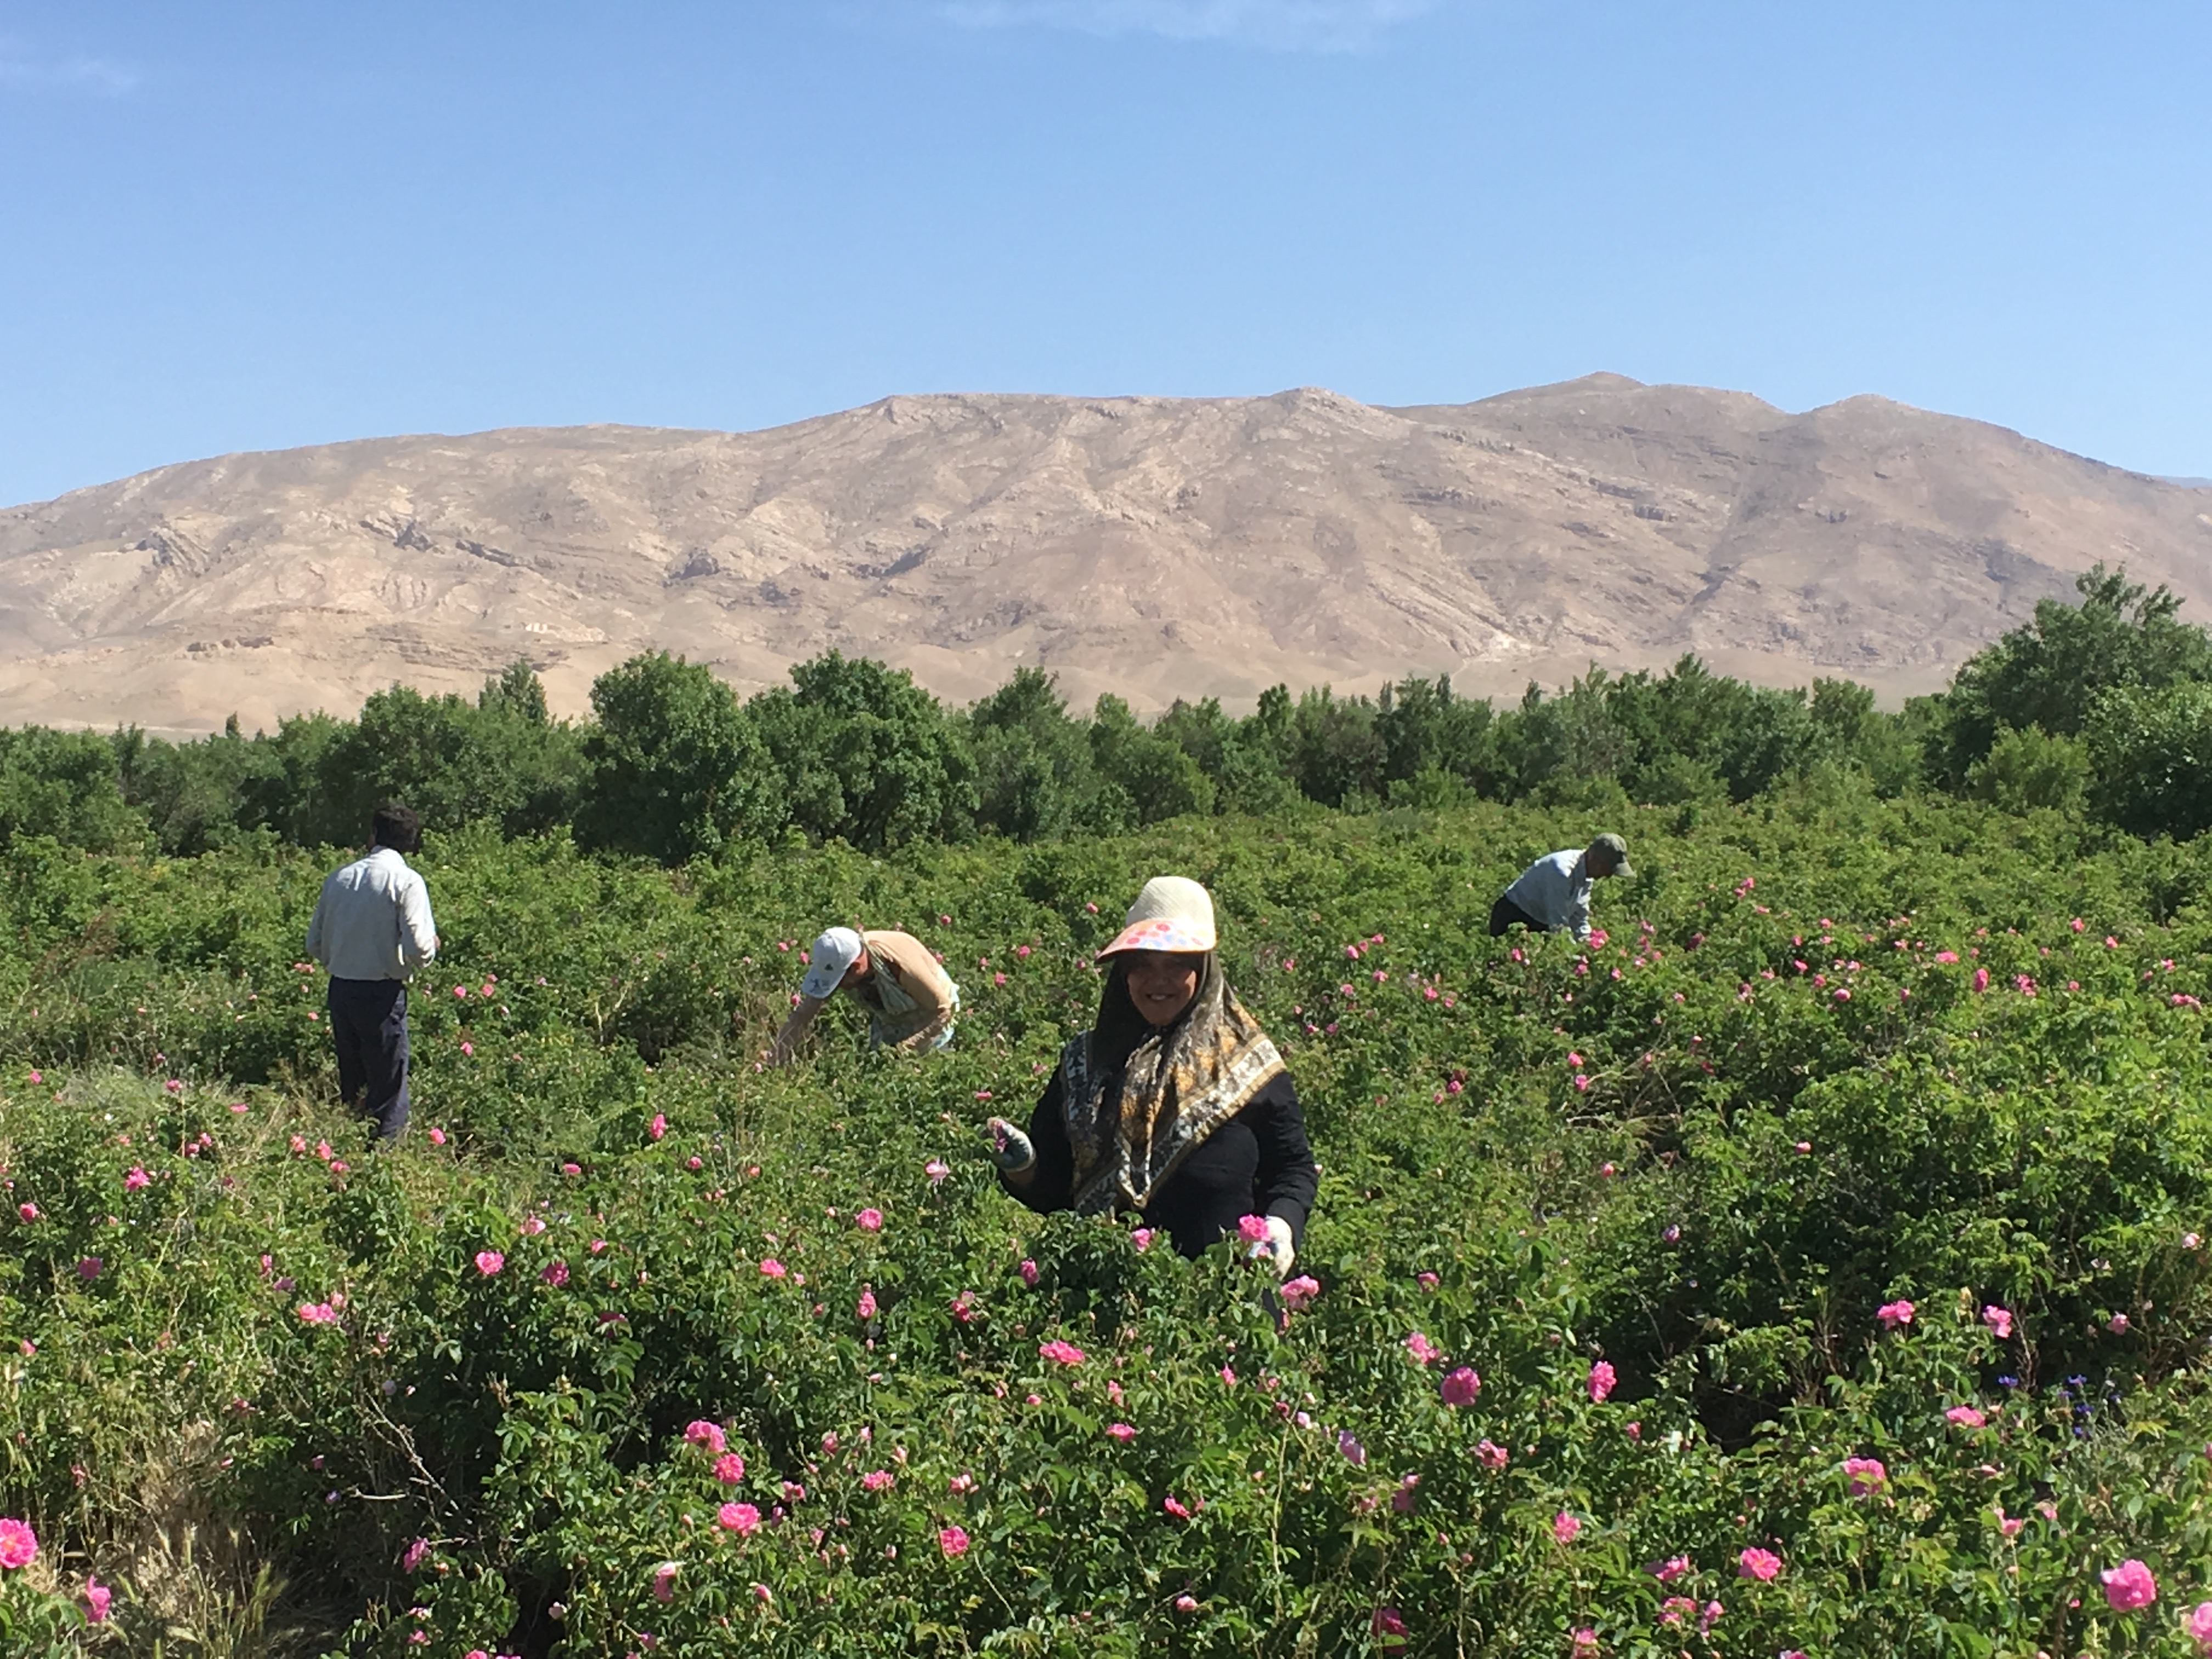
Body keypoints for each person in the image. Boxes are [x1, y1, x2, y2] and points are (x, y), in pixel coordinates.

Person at [983, 876, 1317, 1273]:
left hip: (1225, 1305)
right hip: (1105, 1303)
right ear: (1124, 975)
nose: (1158, 981)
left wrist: (1282, 1225)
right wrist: (1024, 1169)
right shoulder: (1086, 1063)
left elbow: (1292, 1168)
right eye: (1141, 964)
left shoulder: (1248, 1063)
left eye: (1177, 964)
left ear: (1204, 970)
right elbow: (1055, 1190)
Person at [304, 803, 438, 1140]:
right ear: (410, 842)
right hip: (381, 994)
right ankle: (383, 1161)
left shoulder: (340, 878)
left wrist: (341, 960)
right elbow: (419, 947)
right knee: (388, 1089)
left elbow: (314, 943)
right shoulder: (407, 881)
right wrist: (427, 953)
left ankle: (348, 1152)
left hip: (341, 989)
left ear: (374, 835)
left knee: (353, 1082)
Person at [767, 926, 960, 1065]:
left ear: (856, 968)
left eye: (840, 979)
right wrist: (777, 1054)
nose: (838, 986)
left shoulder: (900, 965)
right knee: (881, 1071)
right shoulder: (840, 960)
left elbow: (944, 1011)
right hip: (892, 1020)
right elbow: (803, 1014)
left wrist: (903, 1050)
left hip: (933, 1015)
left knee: (931, 1071)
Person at [1490, 832, 1634, 944]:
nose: (1608, 876)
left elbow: (1580, 918)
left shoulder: (1586, 876)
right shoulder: (1562, 872)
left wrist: (1590, 945)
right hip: (1514, 917)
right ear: (1595, 860)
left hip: (1539, 922)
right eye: (1608, 870)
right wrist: (1575, 954)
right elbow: (1558, 923)